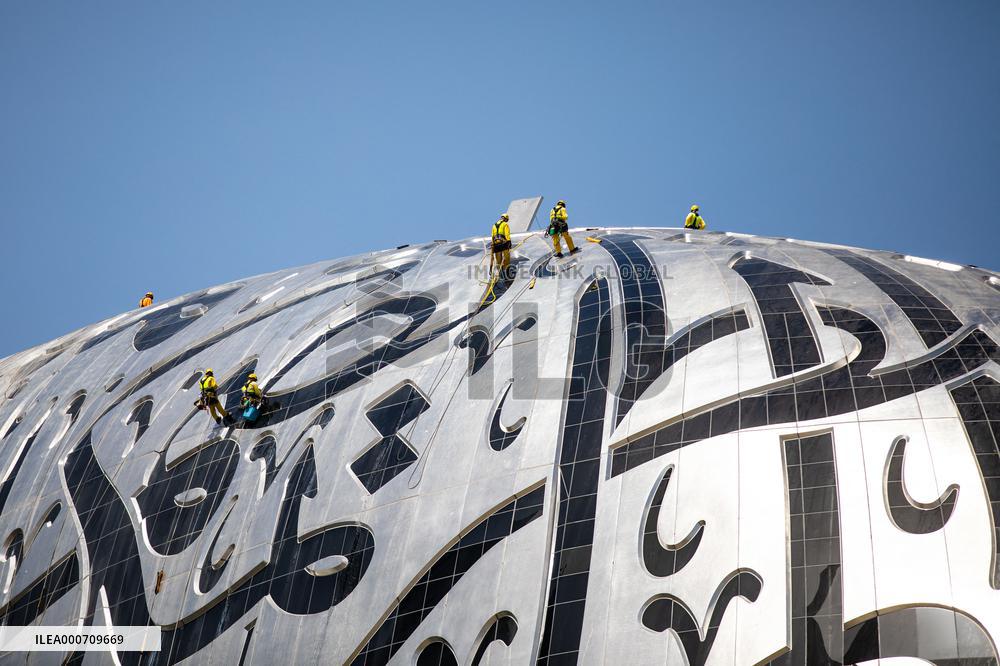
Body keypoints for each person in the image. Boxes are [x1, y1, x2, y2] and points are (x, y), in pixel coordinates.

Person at [489, 213, 513, 281]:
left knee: (498, 261)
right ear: (505, 219)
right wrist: (509, 242)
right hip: (503, 243)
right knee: (507, 258)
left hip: (496, 244)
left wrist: (493, 245)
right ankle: (507, 273)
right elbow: (507, 234)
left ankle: (500, 275)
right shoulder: (505, 224)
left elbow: (492, 236)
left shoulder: (494, 225)